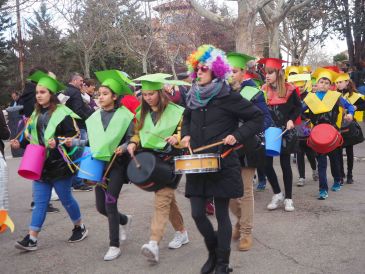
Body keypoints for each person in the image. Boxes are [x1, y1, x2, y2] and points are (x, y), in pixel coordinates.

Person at [182, 45, 263, 274]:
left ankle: (222, 263)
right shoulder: (192, 94)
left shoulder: (228, 96)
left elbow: (256, 118)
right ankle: (213, 252)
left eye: (204, 68)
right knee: (197, 213)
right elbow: (186, 117)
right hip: (198, 162)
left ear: (216, 71)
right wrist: (185, 134)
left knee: (221, 213)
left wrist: (236, 135)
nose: (199, 72)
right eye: (197, 68)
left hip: (223, 162)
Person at [10, 71, 88, 251]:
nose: (39, 95)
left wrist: (59, 141)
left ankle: (79, 226)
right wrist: (18, 143)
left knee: (66, 198)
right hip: (40, 165)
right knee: (40, 202)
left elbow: (76, 138)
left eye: (43, 92)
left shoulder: (64, 114)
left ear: (51, 94)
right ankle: (32, 238)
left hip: (60, 165)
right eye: (37, 92)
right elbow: (31, 138)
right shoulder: (35, 115)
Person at [69, 70, 134, 261]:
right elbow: (91, 142)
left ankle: (114, 245)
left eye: (105, 94)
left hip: (118, 165)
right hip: (99, 165)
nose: (100, 97)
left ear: (114, 96)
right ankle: (125, 220)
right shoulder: (94, 117)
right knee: (100, 207)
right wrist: (72, 143)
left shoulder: (125, 116)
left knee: (110, 203)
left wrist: (123, 147)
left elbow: (131, 139)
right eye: (99, 94)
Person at [127, 73, 189, 264]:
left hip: (172, 161)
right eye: (144, 94)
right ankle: (182, 233)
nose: (147, 98)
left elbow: (184, 134)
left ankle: (153, 243)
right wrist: (133, 143)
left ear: (161, 93)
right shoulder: (141, 113)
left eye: (151, 94)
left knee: (161, 200)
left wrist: (176, 138)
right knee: (167, 200)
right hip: (151, 161)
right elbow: (137, 134)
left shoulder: (178, 111)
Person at [227, 52, 271, 251]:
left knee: (245, 193)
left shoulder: (254, 93)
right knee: (228, 194)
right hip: (225, 149)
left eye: (234, 71)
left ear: (243, 72)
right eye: (227, 71)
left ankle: (246, 231)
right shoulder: (221, 93)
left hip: (247, 147)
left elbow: (266, 120)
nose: (230, 75)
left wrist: (244, 129)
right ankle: (239, 220)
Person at [303, 68, 354, 200]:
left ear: (330, 85)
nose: (324, 84)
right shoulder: (310, 98)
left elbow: (349, 106)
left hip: (332, 132)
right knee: (321, 162)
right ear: (317, 83)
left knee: (335, 159)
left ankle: (337, 180)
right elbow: (298, 110)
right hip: (317, 135)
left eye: (327, 82)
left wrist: (350, 114)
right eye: (321, 82)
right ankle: (323, 189)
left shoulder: (336, 97)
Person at [258, 57, 302, 212]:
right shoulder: (263, 90)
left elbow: (298, 107)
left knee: (285, 165)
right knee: (266, 164)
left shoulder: (289, 89)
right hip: (269, 131)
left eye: (270, 72)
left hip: (286, 131)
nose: (267, 76)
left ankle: (288, 198)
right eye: (265, 73)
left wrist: (291, 119)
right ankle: (277, 194)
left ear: (278, 73)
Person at [64, 72, 94, 191]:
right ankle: (78, 182)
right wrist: (88, 116)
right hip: (79, 127)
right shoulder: (75, 92)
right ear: (75, 80)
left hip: (69, 127)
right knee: (79, 154)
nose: (82, 83)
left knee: (72, 154)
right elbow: (77, 110)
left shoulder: (66, 91)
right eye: (81, 81)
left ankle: (72, 182)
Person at [287, 73, 318, 186]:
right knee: (299, 152)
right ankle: (301, 177)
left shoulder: (310, 96)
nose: (299, 89)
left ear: (305, 85)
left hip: (307, 126)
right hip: (295, 126)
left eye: (301, 87)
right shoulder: (290, 96)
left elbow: (314, 111)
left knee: (310, 151)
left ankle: (315, 170)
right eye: (297, 87)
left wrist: (307, 118)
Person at [335, 72, 365, 184]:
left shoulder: (354, 95)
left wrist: (355, 107)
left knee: (349, 151)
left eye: (340, 82)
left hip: (350, 125)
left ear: (347, 82)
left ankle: (350, 174)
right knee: (338, 150)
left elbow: (363, 105)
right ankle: (341, 174)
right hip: (338, 126)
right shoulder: (334, 94)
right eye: (337, 82)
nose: (338, 84)